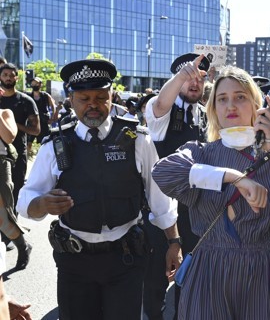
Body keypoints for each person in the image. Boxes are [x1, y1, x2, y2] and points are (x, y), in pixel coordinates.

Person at [151, 64, 270, 320]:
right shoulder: (200, 152)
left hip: (266, 268)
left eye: (240, 97)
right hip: (211, 268)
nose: (230, 105)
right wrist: (234, 178)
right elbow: (162, 172)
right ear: (213, 108)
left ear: (257, 106)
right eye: (222, 99)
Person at [16, 59, 179, 320]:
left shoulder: (136, 139)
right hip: (75, 263)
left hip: (125, 259)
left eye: (100, 97)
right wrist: (42, 204)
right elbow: (26, 200)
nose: (92, 104)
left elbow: (160, 199)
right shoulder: (55, 144)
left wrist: (174, 242)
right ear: (71, 99)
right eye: (84, 98)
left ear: (112, 96)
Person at [143, 52, 210, 320]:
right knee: (156, 281)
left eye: (201, 78)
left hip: (195, 212)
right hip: (160, 212)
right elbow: (160, 103)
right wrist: (181, 75)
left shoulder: (206, 115)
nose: (195, 83)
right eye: (188, 77)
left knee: (189, 279)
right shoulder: (162, 111)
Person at [0, 63, 40, 207]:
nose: (8, 78)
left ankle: (13, 224)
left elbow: (36, 130)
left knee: (15, 190)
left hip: (17, 153)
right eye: (5, 75)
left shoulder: (26, 101)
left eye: (11, 75)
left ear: (17, 78)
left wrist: (12, 126)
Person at [0, 106, 32, 270]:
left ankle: (23, 246)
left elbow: (9, 137)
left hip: (1, 163)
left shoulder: (5, 113)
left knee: (3, 218)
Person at [27, 77, 56, 156]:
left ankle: (43, 157)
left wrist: (52, 117)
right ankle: (27, 158)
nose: (34, 84)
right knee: (28, 142)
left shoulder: (45, 95)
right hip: (31, 123)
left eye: (36, 83)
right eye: (32, 83)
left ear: (40, 84)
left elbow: (53, 106)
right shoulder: (28, 95)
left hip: (43, 122)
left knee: (44, 142)